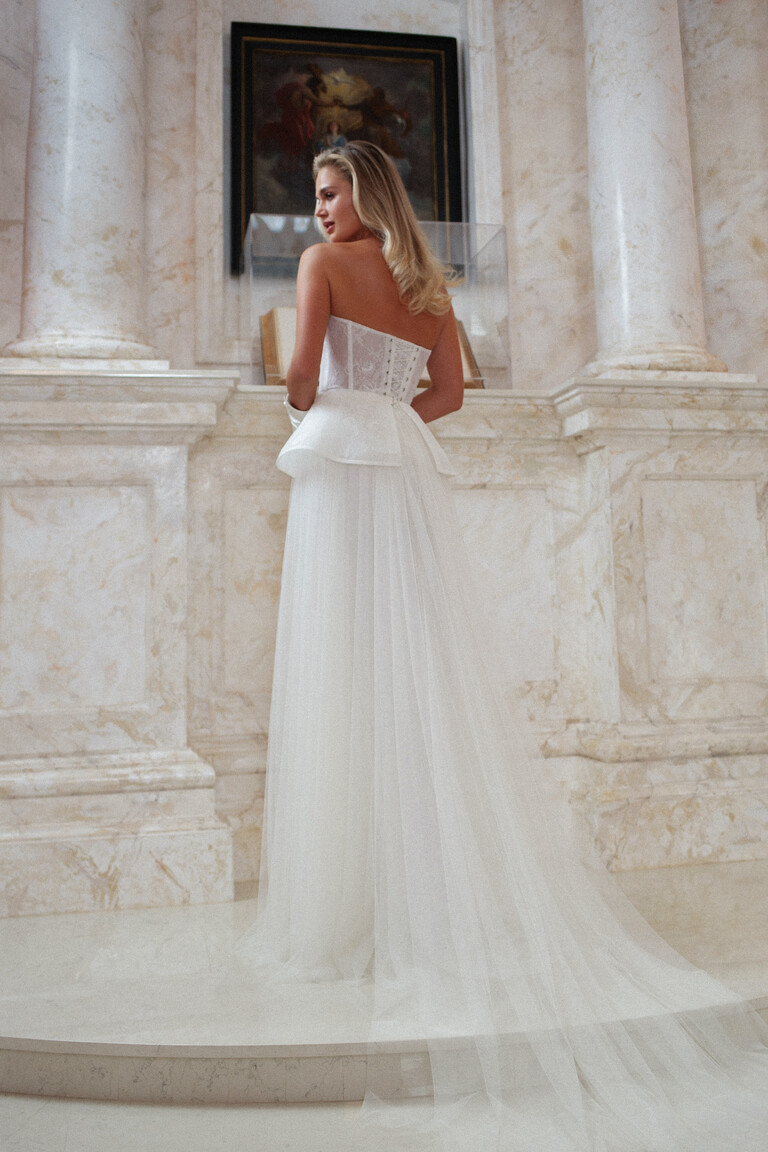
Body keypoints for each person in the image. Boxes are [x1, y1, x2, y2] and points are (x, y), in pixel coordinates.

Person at [239, 141, 768, 1150]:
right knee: (418, 669)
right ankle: (427, 895)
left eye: (330, 190)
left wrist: (309, 399)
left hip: (345, 466)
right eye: (313, 196)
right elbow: (451, 397)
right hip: (404, 463)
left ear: (365, 193)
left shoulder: (320, 268)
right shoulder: (425, 282)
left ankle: (344, 908)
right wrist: (386, 404)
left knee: (340, 669)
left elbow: (303, 376)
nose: (318, 210)